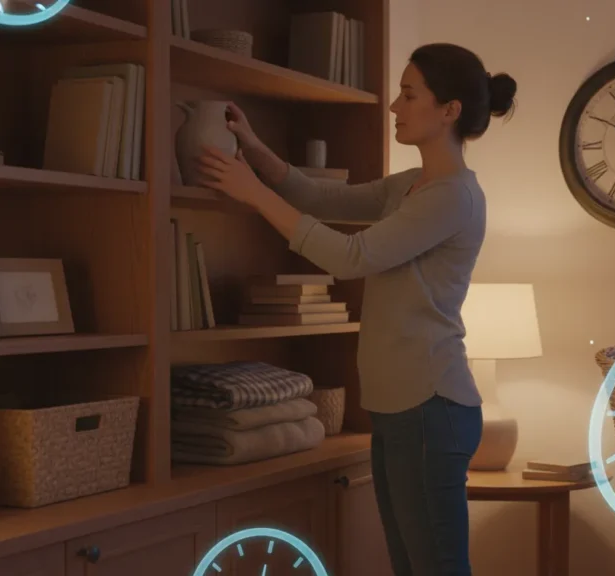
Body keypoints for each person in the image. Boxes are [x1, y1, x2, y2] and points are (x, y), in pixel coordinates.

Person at [195, 43, 517, 575]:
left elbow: (352, 256)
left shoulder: (452, 197)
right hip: (400, 408)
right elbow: (321, 199)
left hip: (431, 408)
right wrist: (253, 147)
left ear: (450, 110)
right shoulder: (411, 186)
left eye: (408, 95)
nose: (394, 106)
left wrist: (254, 194)